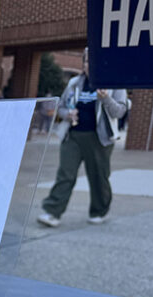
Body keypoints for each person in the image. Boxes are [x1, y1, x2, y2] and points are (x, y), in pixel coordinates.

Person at [37, 49, 128, 227]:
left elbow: (119, 111)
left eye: (94, 61)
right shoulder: (74, 83)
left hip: (99, 138)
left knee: (98, 176)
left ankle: (98, 211)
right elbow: (61, 107)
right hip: (73, 135)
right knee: (65, 174)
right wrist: (68, 114)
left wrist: (106, 99)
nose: (90, 65)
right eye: (87, 61)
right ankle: (52, 211)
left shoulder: (115, 84)